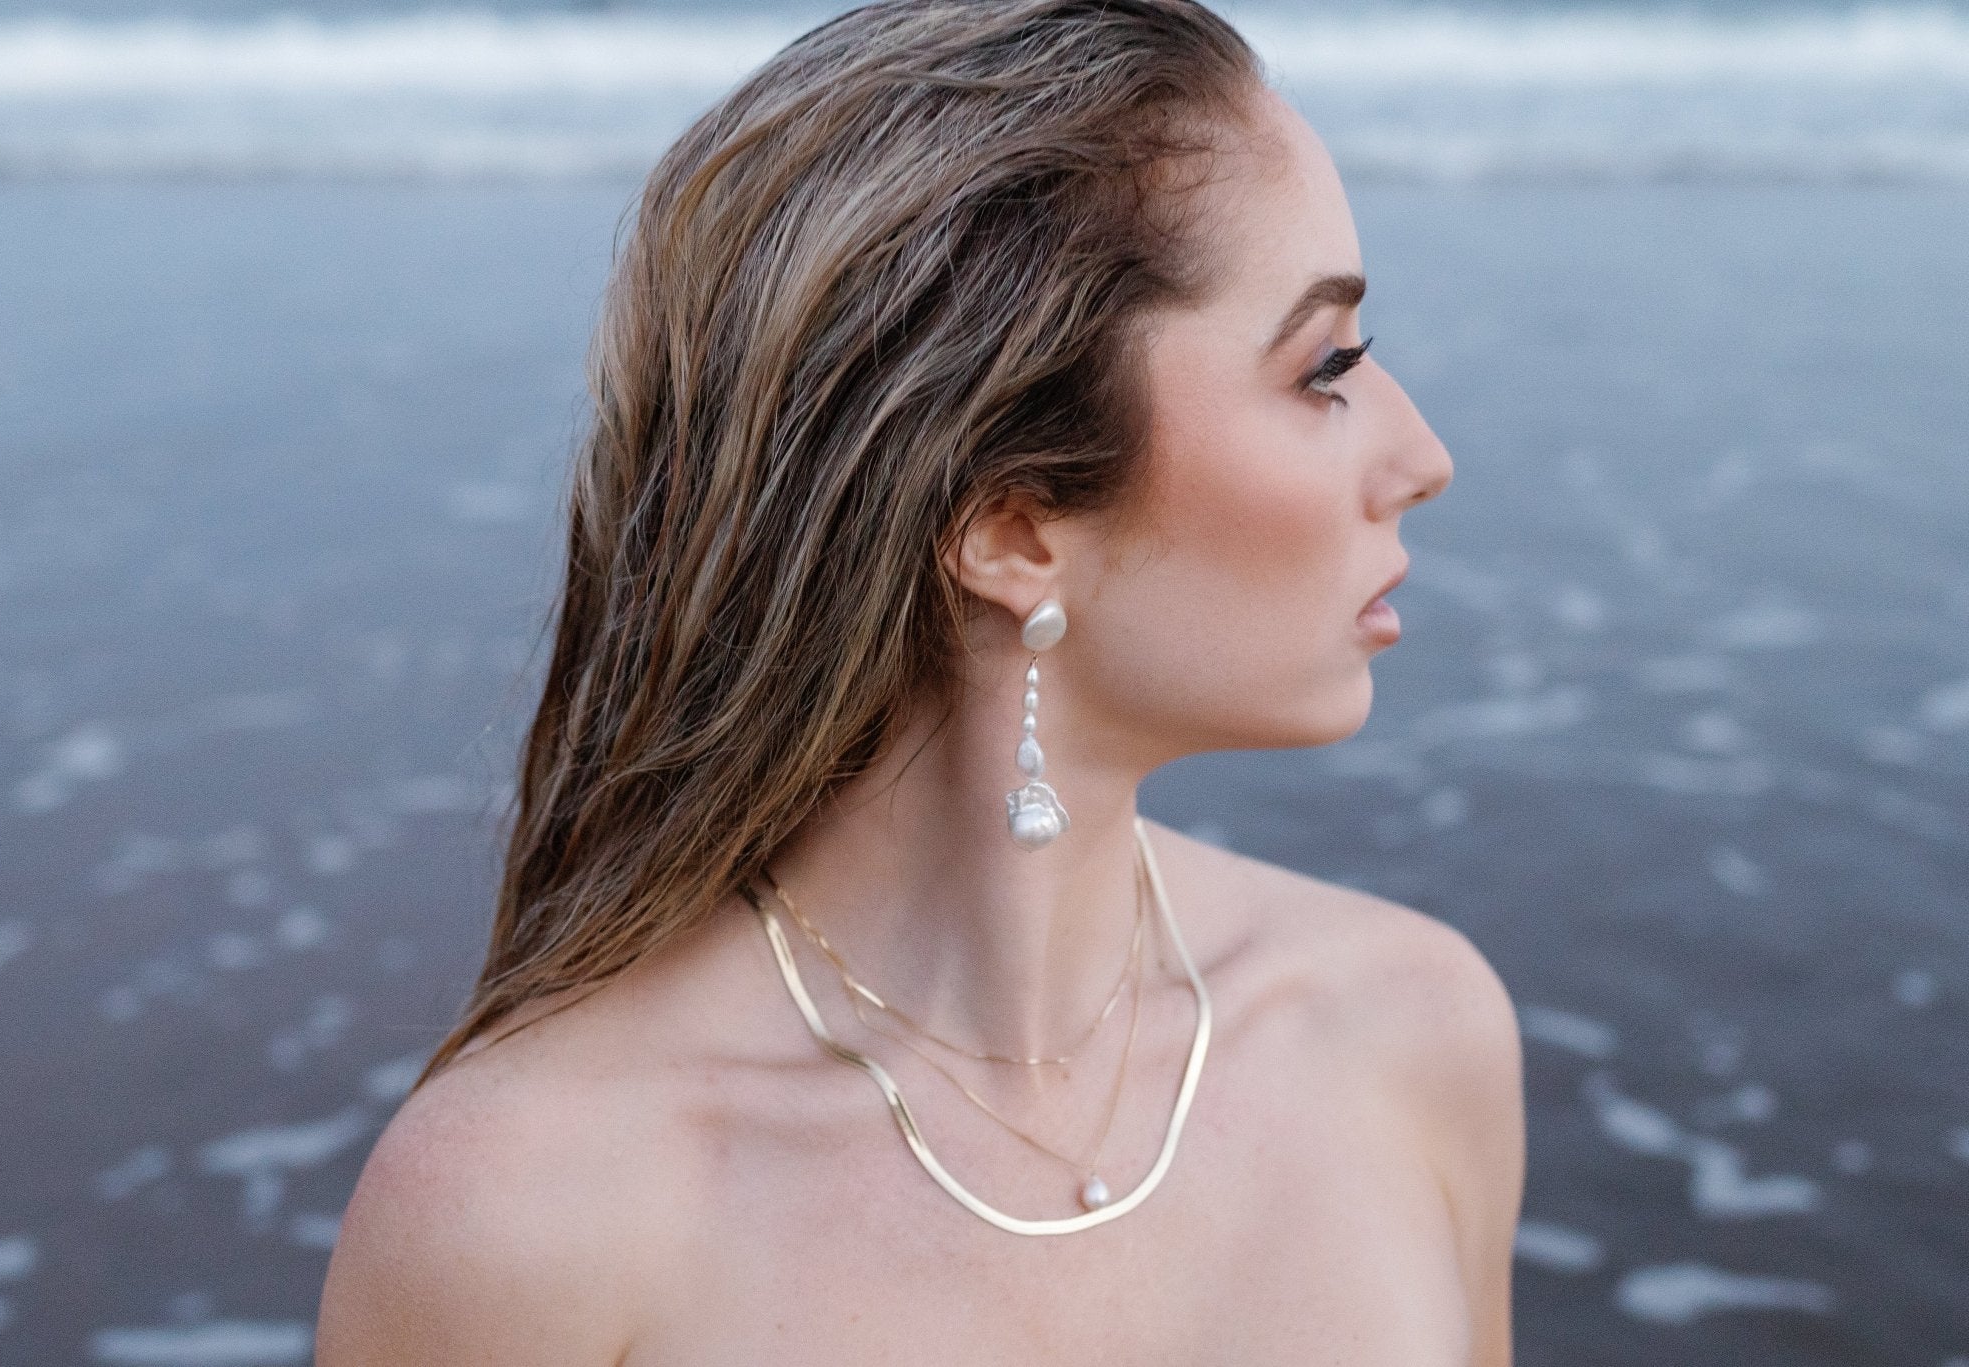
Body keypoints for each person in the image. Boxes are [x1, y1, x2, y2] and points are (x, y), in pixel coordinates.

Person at [316, 1, 1520, 1361]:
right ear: (1011, 527)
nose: (1424, 454)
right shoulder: (531, 1219)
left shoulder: (1414, 1037)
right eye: (1331, 367)